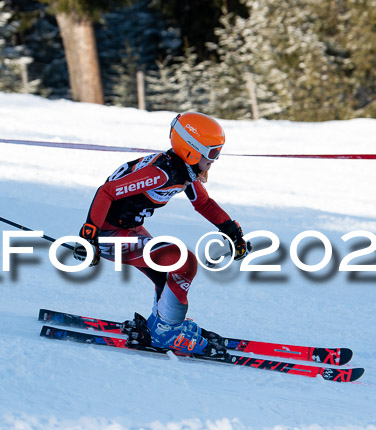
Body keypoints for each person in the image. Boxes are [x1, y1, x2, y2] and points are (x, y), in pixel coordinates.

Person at [73, 112, 251, 355]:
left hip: (128, 229)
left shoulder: (183, 170)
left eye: (218, 152)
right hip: (108, 235)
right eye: (212, 153)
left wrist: (232, 231)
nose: (215, 160)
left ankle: (163, 325)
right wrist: (89, 237)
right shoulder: (163, 173)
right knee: (183, 261)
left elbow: (203, 204)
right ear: (191, 150)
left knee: (166, 273)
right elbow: (107, 192)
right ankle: (167, 331)